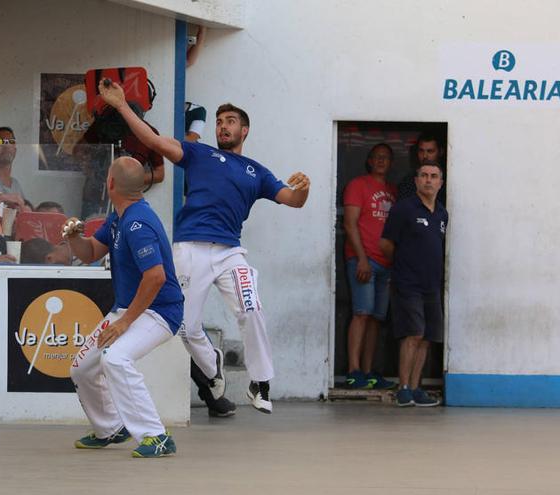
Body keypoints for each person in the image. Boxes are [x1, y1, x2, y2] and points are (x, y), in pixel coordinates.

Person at [98, 81, 311, 415]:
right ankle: (213, 369)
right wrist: (122, 105)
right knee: (185, 327)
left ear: (245, 129)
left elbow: (293, 201)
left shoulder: (257, 171)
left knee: (251, 306)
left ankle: (261, 383)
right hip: (189, 249)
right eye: (218, 121)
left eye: (229, 121)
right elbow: (154, 141)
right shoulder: (199, 154)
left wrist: (304, 188)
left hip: (229, 253)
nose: (222, 125)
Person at [65, 156, 183, 458]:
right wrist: (73, 236)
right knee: (82, 368)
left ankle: (156, 437)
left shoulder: (137, 223)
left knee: (115, 359)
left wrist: (124, 322)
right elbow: (91, 251)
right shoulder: (119, 217)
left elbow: (155, 277)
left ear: (111, 183)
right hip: (129, 309)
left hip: (159, 312)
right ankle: (110, 428)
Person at [380, 160, 447, 407]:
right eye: (424, 175)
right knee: (413, 334)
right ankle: (404, 388)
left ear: (441, 182)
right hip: (408, 284)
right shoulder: (403, 209)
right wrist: (403, 267)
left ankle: (417, 388)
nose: (429, 180)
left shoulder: (442, 213)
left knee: (427, 336)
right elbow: (385, 244)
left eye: (434, 176)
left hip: (432, 286)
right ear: (417, 180)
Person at [342, 143, 397, 389]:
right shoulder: (358, 185)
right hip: (363, 259)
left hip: (387, 263)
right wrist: (362, 258)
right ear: (369, 161)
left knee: (376, 318)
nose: (381, 161)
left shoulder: (393, 191)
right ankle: (353, 371)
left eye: (386, 157)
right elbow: (350, 223)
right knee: (361, 314)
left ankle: (369, 371)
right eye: (377, 157)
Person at [397, 133, 445, 203]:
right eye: (421, 151)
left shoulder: (449, 180)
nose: (425, 156)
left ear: (441, 152)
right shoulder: (408, 181)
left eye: (430, 151)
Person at [0, 126, 27, 202]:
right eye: (0, 142)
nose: (6, 146)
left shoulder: (16, 184)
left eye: (11, 141)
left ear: (15, 150)